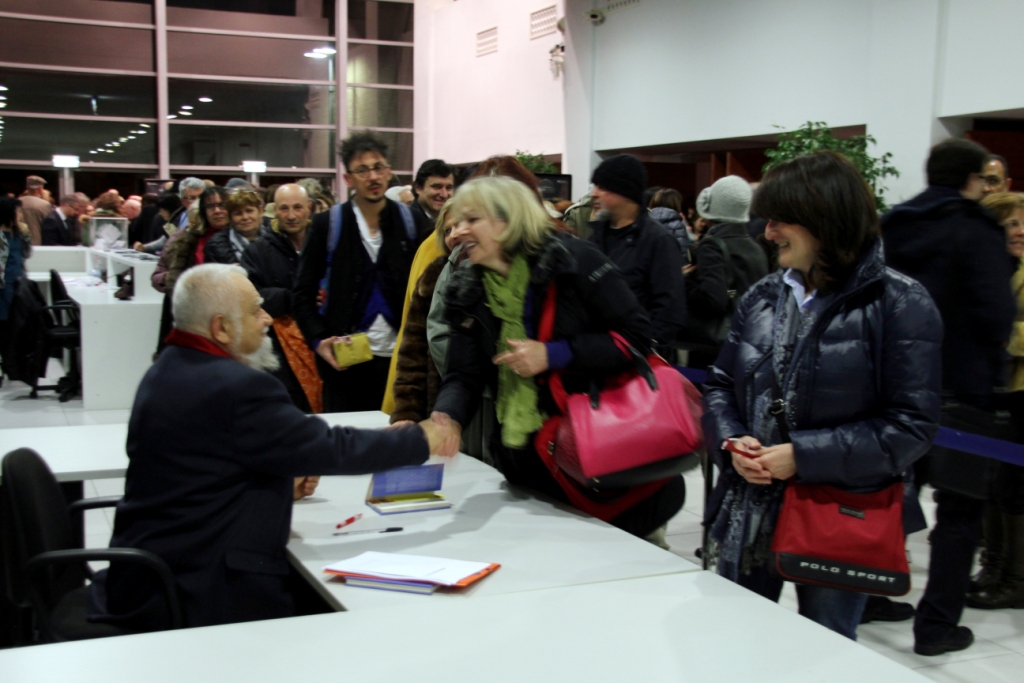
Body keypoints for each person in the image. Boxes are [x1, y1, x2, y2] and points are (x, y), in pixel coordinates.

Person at [88, 264, 445, 630]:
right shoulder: (236, 386)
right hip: (200, 588)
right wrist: (420, 439)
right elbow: (330, 448)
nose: (267, 319)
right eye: (255, 309)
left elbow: (200, 470)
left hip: (146, 577)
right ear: (221, 327)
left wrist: (276, 484)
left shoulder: (166, 368)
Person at [702, 151, 942, 641]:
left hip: (840, 513)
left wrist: (802, 456)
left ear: (824, 220)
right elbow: (721, 385)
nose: (768, 232)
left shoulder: (900, 304)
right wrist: (732, 441)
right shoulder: (763, 297)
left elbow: (910, 426)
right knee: (736, 641)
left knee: (825, 650)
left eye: (780, 220)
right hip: (750, 505)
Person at [429, 176, 686, 545]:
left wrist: (553, 354)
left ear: (508, 221)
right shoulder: (469, 289)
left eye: (472, 220)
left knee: (625, 561)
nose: (457, 232)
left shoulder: (574, 262)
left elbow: (637, 337)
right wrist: (447, 417)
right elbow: (463, 374)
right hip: (530, 463)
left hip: (607, 457)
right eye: (455, 223)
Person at [882, 138, 1017, 655]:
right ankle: (936, 625)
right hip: (963, 386)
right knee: (959, 513)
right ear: (974, 179)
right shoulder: (978, 229)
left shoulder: (894, 224)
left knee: (888, 496)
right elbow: (995, 314)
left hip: (897, 382)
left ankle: (868, 592)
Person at [292, 132, 418, 412]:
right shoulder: (328, 224)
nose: (373, 176)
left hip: (401, 362)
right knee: (348, 434)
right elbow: (301, 294)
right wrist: (317, 339)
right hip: (346, 363)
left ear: (389, 172)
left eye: (378, 167)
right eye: (362, 170)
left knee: (399, 434)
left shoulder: (411, 221)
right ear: (348, 179)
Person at [964, 191, 1024, 611]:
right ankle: (995, 566)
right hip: (991, 388)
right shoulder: (988, 271)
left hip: (1020, 389)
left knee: (1015, 486)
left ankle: (1016, 578)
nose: (1019, 232)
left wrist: (1002, 335)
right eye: (1011, 224)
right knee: (995, 483)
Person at [588, 154, 687, 353]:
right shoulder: (594, 239)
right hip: (596, 354)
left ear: (625, 192)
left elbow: (670, 308)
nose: (594, 194)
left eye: (602, 187)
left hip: (638, 358)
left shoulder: (658, 241)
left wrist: (645, 349)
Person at [242, 184, 319, 413]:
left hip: (323, 345)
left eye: (298, 207)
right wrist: (293, 298)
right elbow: (251, 297)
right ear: (274, 211)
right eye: (284, 208)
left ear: (309, 208)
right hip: (281, 355)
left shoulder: (324, 244)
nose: (291, 215)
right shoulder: (257, 251)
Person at [679, 175, 769, 368]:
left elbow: (713, 300)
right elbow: (738, 291)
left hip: (713, 346)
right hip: (748, 339)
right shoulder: (754, 247)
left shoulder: (712, 246)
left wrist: (685, 280)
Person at [389, 202, 457, 422]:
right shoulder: (434, 274)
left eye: (462, 225)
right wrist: (406, 413)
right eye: (447, 230)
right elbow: (413, 352)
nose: (454, 235)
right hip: (436, 407)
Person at [152, 186, 230, 294]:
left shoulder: (241, 236)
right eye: (210, 206)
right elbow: (157, 276)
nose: (217, 211)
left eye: (222, 205)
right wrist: (173, 278)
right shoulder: (184, 239)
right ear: (204, 211)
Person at [0, 198, 31, 339]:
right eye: (17, 211)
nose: (20, 215)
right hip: (4, 286)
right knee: (6, 322)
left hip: (18, 282)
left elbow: (26, 254)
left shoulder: (18, 232)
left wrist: (26, 235)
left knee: (19, 322)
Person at [204, 190, 264, 264]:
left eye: (249, 211)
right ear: (230, 218)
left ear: (260, 211)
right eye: (238, 213)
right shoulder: (215, 246)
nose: (245, 217)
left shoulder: (273, 238)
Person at [410, 159, 455, 237]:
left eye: (448, 188)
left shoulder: (455, 221)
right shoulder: (406, 223)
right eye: (437, 187)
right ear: (418, 188)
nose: (444, 195)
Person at [18, 175, 51, 246]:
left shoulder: (16, 203)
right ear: (40, 189)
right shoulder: (45, 204)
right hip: (37, 243)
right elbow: (49, 226)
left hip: (18, 243)